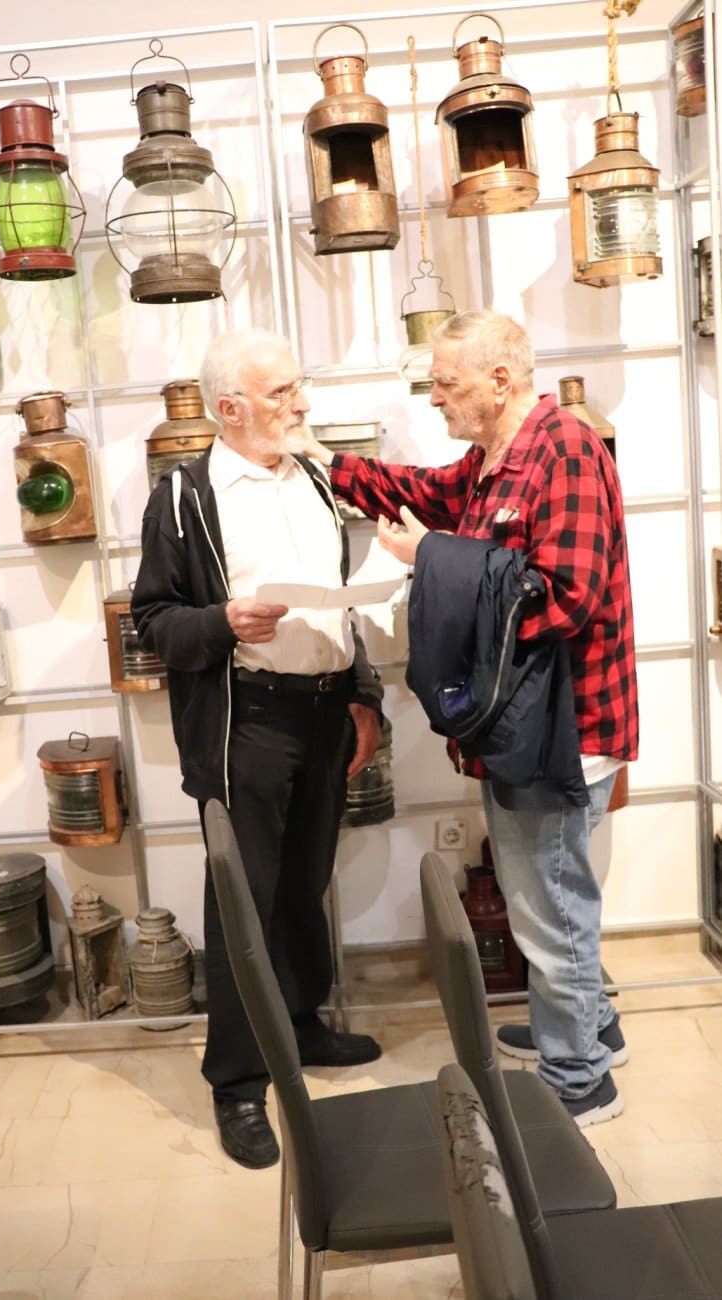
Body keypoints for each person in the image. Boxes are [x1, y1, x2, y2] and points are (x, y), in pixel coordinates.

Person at [293, 309, 638, 1128]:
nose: (435, 397)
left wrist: (433, 558)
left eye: (446, 383)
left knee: (549, 908)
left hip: (563, 731)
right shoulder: (497, 459)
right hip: (534, 728)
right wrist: (324, 460)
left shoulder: (565, 452)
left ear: (499, 380)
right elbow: (422, 494)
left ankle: (580, 1080)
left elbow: (565, 597)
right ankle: (588, 1028)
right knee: (553, 894)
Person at [130, 328, 384, 1169]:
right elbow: (154, 620)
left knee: (305, 883)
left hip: (325, 711)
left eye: (297, 385)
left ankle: (300, 1024)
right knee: (244, 901)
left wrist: (364, 696)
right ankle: (237, 1082)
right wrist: (222, 621)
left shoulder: (314, 477)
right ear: (230, 408)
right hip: (249, 723)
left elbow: (341, 602)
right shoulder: (184, 497)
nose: (300, 402)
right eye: (282, 392)